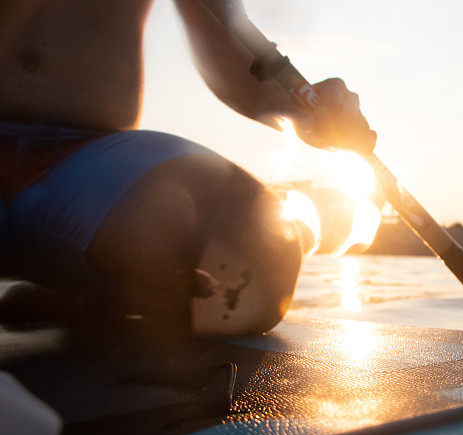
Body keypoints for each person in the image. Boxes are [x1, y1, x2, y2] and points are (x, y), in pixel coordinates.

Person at [0, 0, 376, 336]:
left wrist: (305, 113)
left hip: (90, 165)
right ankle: (94, 283)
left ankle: (84, 290)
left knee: (254, 269)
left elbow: (226, 39)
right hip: (90, 174)